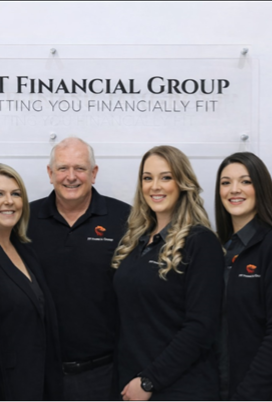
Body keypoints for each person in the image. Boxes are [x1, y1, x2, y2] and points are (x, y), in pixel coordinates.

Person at [111, 145, 224, 400]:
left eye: (166, 177)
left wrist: (151, 380)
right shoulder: (134, 242)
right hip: (133, 385)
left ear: (183, 183)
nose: (155, 186)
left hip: (180, 387)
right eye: (147, 178)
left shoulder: (201, 242)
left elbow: (201, 327)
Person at [26, 137, 131, 400]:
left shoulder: (125, 218)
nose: (70, 177)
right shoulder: (24, 219)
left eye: (80, 168)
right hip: (38, 373)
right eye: (62, 168)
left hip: (102, 373)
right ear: (50, 174)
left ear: (94, 173)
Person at [0, 163, 63, 400]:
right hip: (2, 386)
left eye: (16, 194)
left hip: (38, 381)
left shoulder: (24, 249)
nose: (9, 201)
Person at [214, 152, 272, 400]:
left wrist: (247, 394)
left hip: (263, 392)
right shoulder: (219, 248)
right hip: (221, 386)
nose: (234, 190)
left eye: (245, 181)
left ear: (260, 187)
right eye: (225, 182)